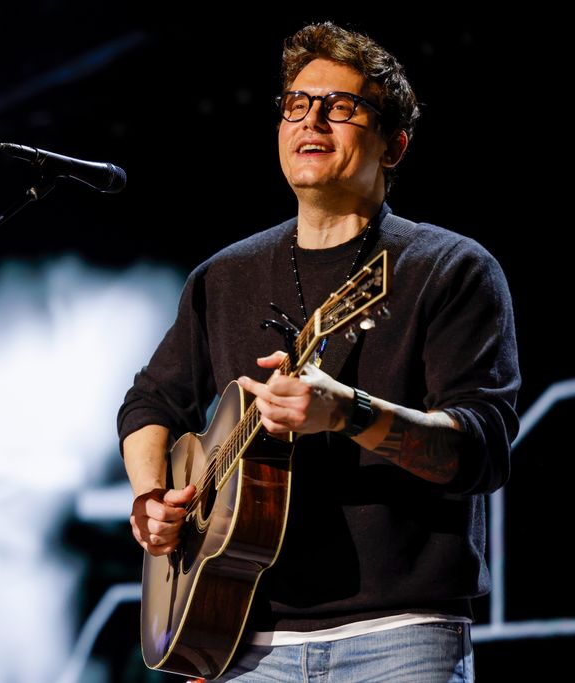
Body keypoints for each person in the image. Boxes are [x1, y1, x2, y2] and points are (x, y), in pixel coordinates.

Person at [117, 21, 519, 682]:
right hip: (241, 640)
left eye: (342, 107)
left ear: (394, 145)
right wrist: (153, 498)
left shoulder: (450, 268)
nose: (313, 120)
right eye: (298, 105)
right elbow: (149, 402)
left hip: (400, 640)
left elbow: (480, 447)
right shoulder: (223, 277)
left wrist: (349, 412)